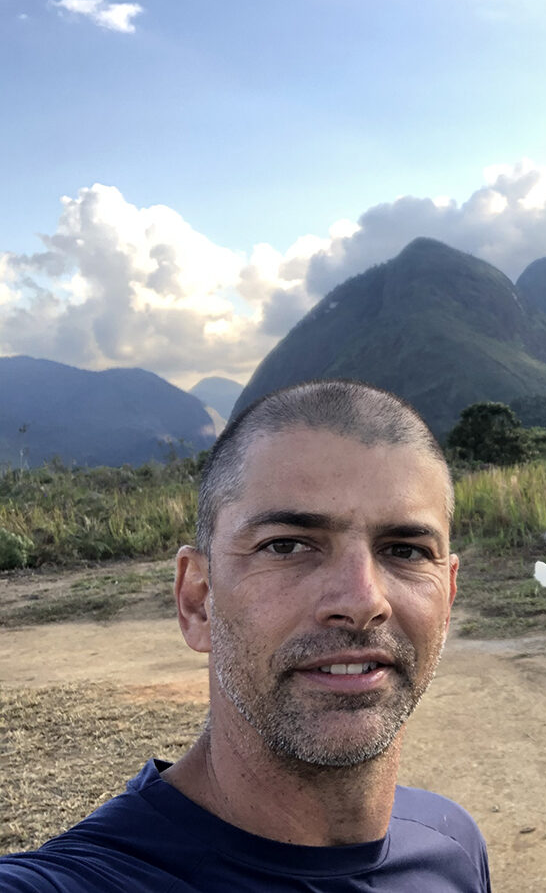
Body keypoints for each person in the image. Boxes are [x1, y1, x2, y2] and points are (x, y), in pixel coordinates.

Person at [0, 379, 492, 891]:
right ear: (198, 599)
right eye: (286, 546)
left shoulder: (452, 847)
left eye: (406, 550)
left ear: (449, 595)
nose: (362, 601)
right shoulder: (83, 880)